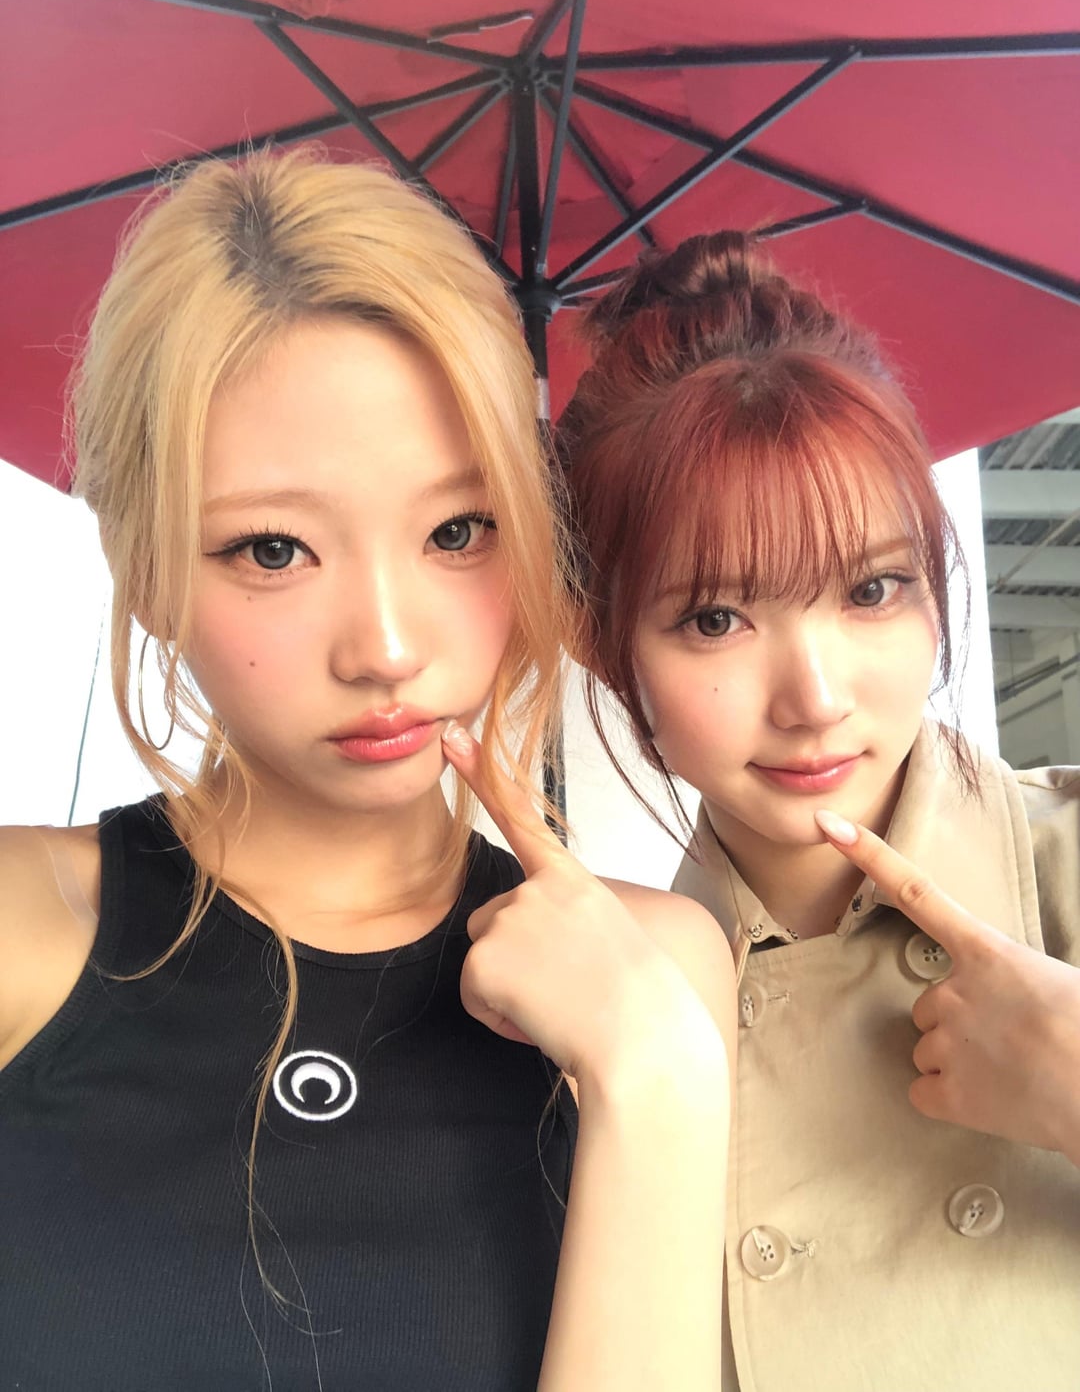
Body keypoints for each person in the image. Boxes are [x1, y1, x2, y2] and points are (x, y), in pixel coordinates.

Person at [0, 151, 735, 1392]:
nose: (387, 647)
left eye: (458, 529)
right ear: (147, 571)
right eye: (272, 549)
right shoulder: (26, 931)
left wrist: (655, 1081)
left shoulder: (656, 971)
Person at [557, 232, 1080, 1392]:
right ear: (600, 643)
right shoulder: (613, 1008)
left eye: (872, 589)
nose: (817, 699)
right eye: (715, 620)